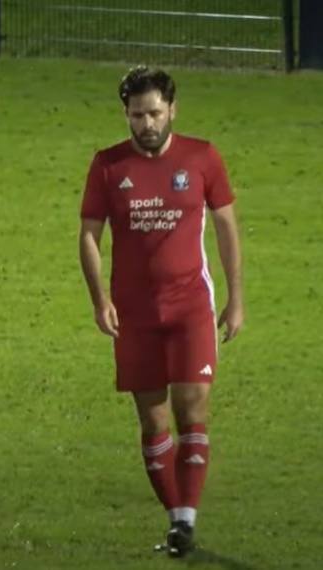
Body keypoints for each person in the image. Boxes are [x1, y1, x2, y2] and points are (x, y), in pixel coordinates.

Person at [78, 66, 244, 558]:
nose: (147, 123)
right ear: (126, 115)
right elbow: (89, 235)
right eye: (136, 115)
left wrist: (236, 298)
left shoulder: (202, 157)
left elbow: (227, 229)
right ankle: (177, 521)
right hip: (134, 314)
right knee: (153, 423)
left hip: (191, 305)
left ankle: (186, 518)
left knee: (193, 410)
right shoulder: (108, 166)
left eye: (154, 112)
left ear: (173, 108)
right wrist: (98, 299)